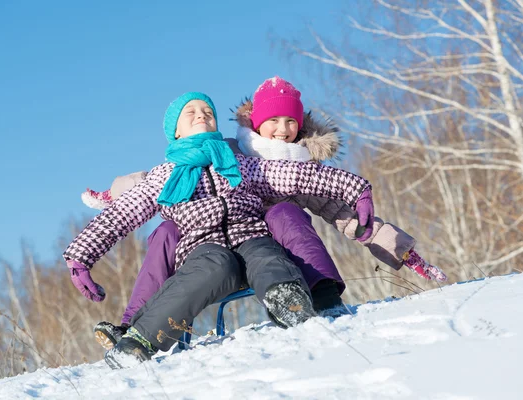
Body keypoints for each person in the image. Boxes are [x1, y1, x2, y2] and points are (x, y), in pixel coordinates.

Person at [84, 77, 447, 350]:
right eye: (273, 121)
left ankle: (315, 295)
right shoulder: (231, 151)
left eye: (291, 123)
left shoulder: (288, 166)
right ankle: (135, 326)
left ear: (301, 127)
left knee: (284, 213)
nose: (282, 131)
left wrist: (396, 245)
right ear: (254, 123)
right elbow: (148, 184)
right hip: (205, 247)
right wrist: (110, 197)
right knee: (165, 231)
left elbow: (340, 211)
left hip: (261, 242)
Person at [64, 91, 376, 369]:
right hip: (203, 248)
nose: (201, 115)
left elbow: (298, 175)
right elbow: (119, 216)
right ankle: (139, 340)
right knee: (212, 267)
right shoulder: (162, 177)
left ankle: (288, 300)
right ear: (175, 131)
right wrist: (81, 257)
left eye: (208, 112)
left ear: (216, 126)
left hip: (250, 235)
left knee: (268, 256)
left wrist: (355, 188)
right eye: (191, 112)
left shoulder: (240, 164)